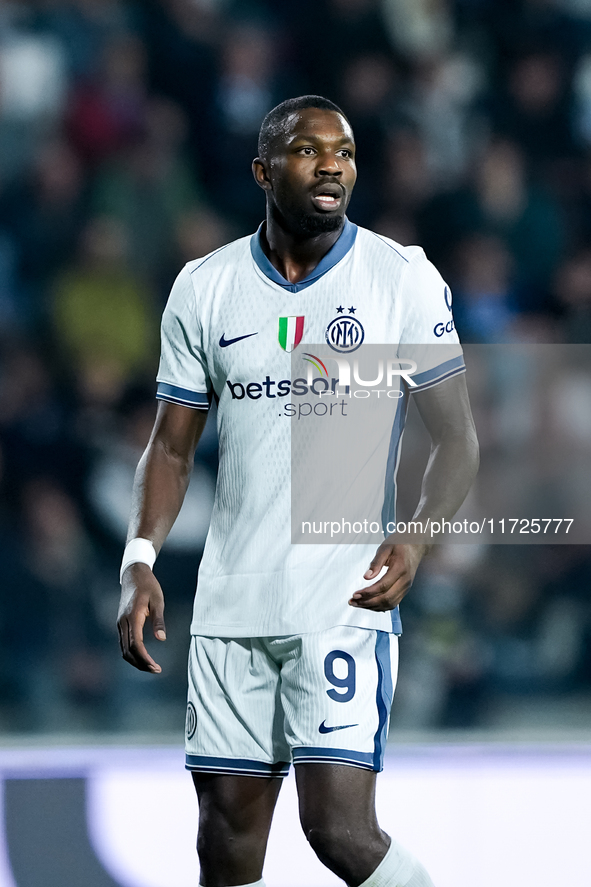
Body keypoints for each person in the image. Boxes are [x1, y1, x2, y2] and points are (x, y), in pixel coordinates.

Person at [117, 96, 479, 887]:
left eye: (343, 152)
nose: (330, 166)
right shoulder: (205, 288)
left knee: (338, 830)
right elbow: (170, 449)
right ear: (262, 170)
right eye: (308, 150)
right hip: (231, 603)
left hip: (339, 599)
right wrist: (138, 557)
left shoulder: (398, 278)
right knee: (224, 839)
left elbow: (457, 439)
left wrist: (415, 537)